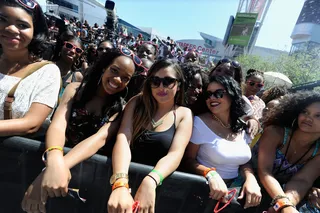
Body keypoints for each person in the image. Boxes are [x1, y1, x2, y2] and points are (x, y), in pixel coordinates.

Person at [21, 47, 136, 212]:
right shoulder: (74, 89)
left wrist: (52, 170)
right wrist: (53, 162)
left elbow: (98, 140)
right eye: (114, 70)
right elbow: (59, 124)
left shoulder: (120, 109)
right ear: (104, 67)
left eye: (125, 78)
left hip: (87, 182)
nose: (118, 80)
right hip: (55, 162)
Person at [108, 59, 193, 213]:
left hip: (155, 192)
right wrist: (120, 182)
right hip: (121, 185)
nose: (161, 87)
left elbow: (176, 154)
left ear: (179, 85)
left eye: (168, 81)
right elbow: (123, 139)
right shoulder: (136, 103)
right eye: (155, 81)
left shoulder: (184, 114)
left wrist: (151, 180)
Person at [185, 76, 261, 212]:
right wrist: (210, 174)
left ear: (232, 95)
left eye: (219, 93)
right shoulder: (199, 122)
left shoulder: (242, 125)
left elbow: (244, 161)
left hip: (234, 197)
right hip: (205, 194)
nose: (212, 98)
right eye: (208, 95)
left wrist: (251, 179)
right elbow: (188, 160)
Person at [0, 0, 61, 136]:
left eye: (22, 25)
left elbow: (31, 124)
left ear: (35, 32)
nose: (11, 28)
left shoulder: (47, 72)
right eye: (2, 19)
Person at [256, 91, 320, 212]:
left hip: (282, 193)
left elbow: (302, 181)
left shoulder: (317, 152)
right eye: (305, 112)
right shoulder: (275, 133)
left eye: (318, 116)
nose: (308, 118)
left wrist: (287, 203)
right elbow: (264, 170)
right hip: (250, 183)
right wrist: (283, 203)